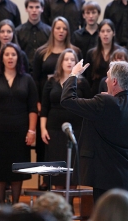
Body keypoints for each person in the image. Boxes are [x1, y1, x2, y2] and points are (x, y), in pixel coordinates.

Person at [61, 60, 128, 202]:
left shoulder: (103, 102)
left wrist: (74, 74)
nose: (106, 80)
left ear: (114, 81)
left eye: (108, 77)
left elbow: (67, 100)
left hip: (106, 179)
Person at [0, 43, 38, 204]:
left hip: (20, 133)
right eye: (7, 55)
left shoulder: (27, 79)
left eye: (13, 54)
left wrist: (32, 130)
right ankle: (0, 204)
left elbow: (33, 108)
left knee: (17, 170)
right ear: (1, 58)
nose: (10, 57)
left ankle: (15, 205)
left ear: (18, 58)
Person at [40, 49, 90, 189]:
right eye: (66, 59)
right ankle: (60, 206)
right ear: (60, 62)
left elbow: (88, 106)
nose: (69, 62)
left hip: (76, 129)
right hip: (54, 129)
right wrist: (43, 128)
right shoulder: (51, 81)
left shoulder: (82, 83)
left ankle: (70, 204)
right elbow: (44, 107)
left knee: (73, 170)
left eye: (72, 60)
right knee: (57, 171)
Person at [15, 0, 51, 73]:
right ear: (26, 9)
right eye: (31, 7)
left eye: (37, 7)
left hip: (44, 73)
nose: (34, 10)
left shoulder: (50, 31)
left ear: (42, 9)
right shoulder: (17, 31)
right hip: (24, 72)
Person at [85, 19, 120, 95]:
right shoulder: (91, 53)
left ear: (113, 33)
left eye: (108, 31)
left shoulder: (120, 52)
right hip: (95, 93)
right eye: (102, 31)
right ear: (99, 33)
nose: (105, 34)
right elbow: (88, 78)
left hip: (114, 92)